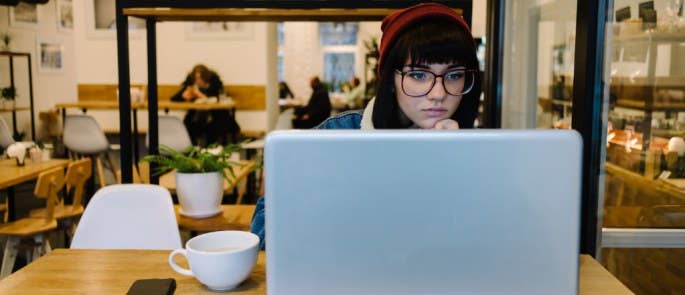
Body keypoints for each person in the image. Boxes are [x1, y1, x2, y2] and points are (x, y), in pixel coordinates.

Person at [251, 2, 481, 249]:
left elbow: (490, 242)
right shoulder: (338, 137)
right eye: (418, 75)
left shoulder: (483, 152)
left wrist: (454, 166)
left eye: (454, 75)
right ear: (390, 79)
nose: (437, 93)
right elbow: (263, 230)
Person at [171, 64, 240, 146]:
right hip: (197, 118)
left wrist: (200, 95)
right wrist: (183, 96)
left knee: (213, 128)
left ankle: (211, 151)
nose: (198, 81)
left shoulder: (214, 84)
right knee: (188, 125)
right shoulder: (191, 85)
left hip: (216, 117)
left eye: (200, 78)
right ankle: (191, 152)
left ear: (206, 77)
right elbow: (173, 98)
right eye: (196, 78)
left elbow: (217, 98)